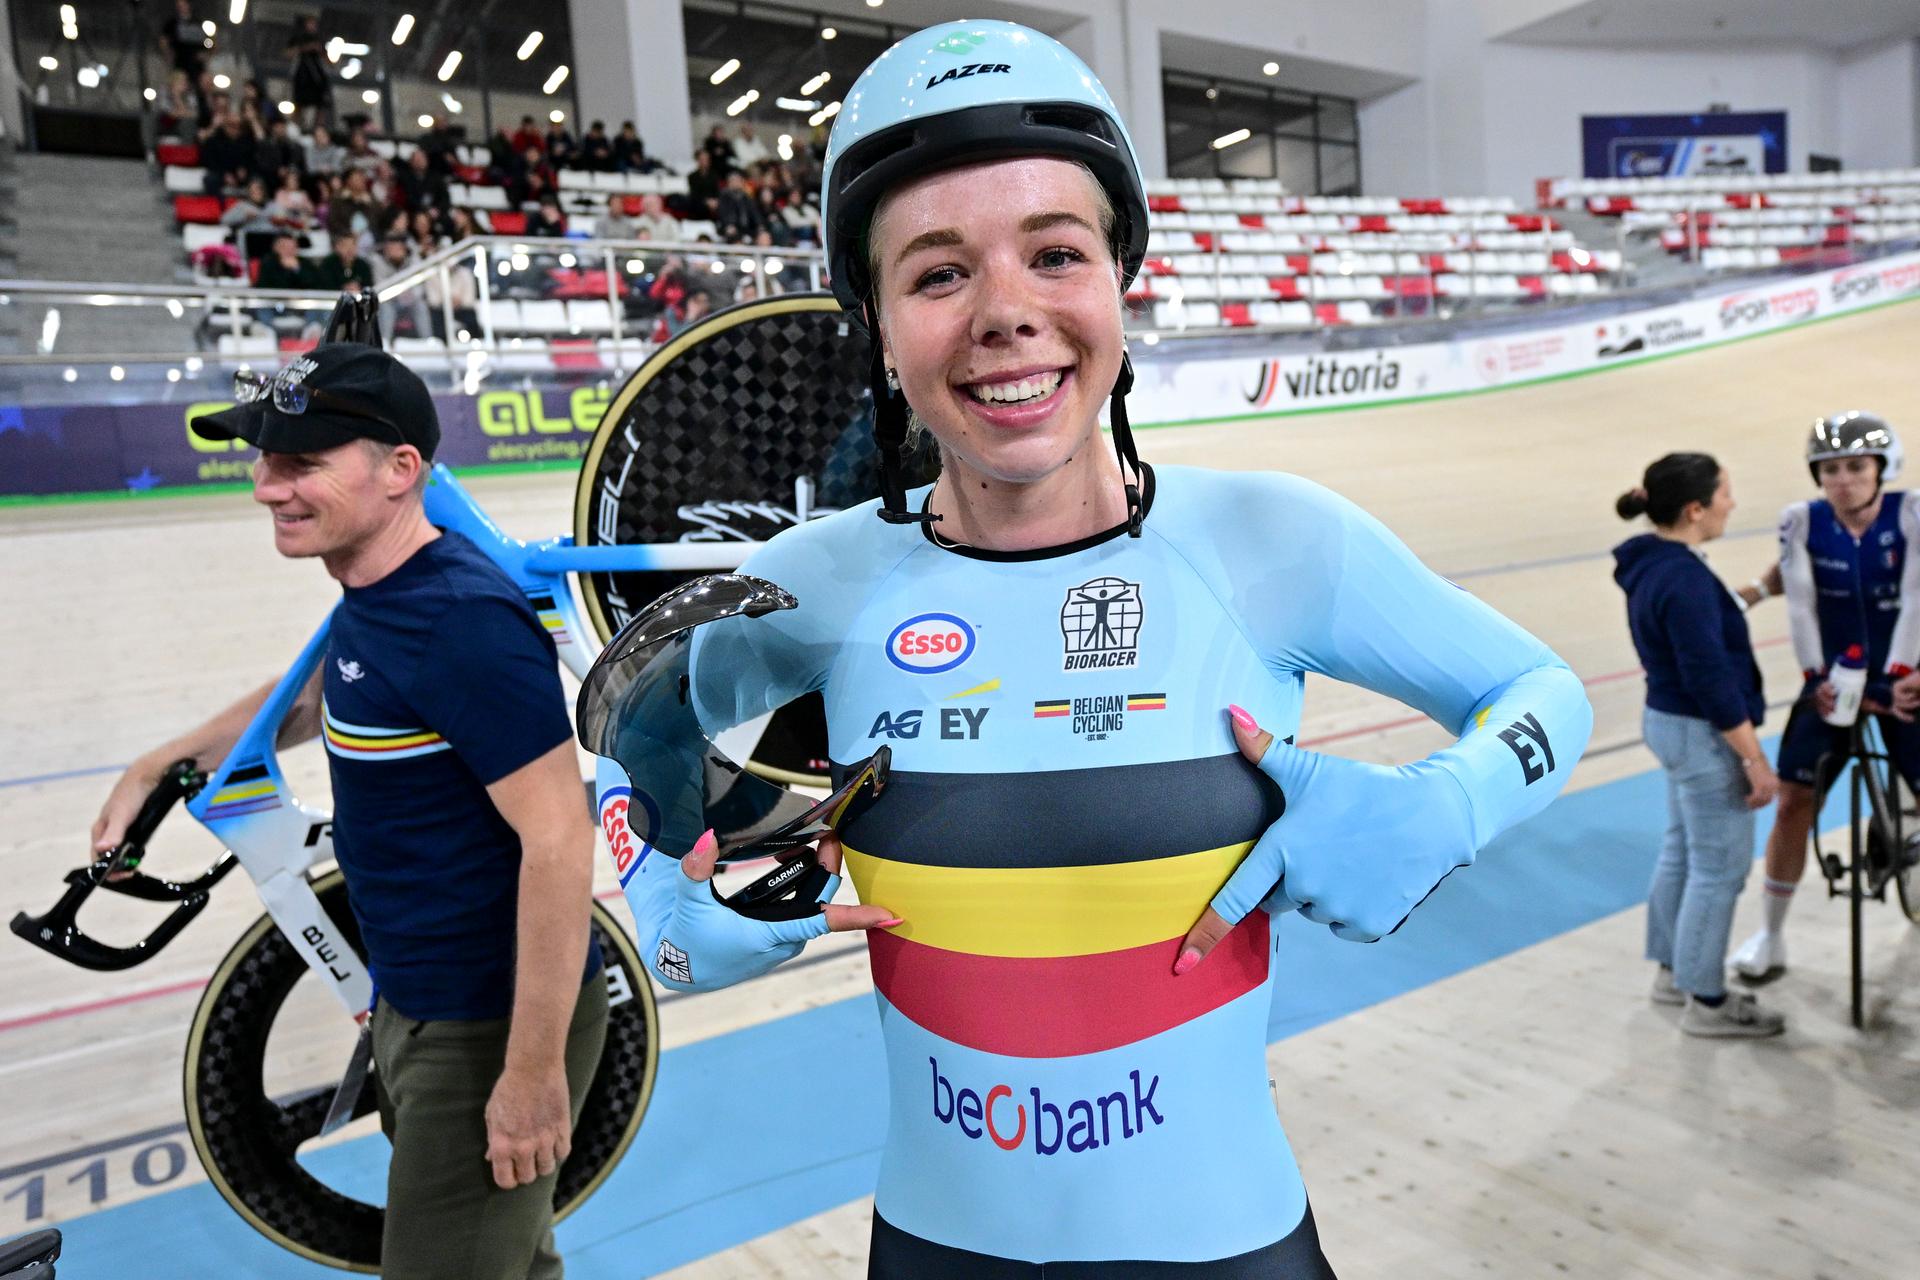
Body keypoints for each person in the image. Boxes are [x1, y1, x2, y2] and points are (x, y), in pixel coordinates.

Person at [592, 20, 1592, 1277]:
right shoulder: (816, 579)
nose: (1007, 313)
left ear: (1121, 279)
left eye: (1056, 253)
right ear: (879, 327)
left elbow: (1543, 692)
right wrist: (660, 899)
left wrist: (1448, 804)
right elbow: (629, 735)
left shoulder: (1271, 542)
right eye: (938, 273)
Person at [90, 344, 606, 1279]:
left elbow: (562, 844)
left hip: (486, 1027)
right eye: (262, 459)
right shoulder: (379, 591)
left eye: (300, 464)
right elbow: (325, 690)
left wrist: (530, 1076)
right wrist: (161, 762)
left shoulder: (461, 623)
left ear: (401, 470)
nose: (265, 487)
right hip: (417, 1004)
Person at [1729, 412, 1920, 982]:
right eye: (1830, 469)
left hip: (1905, 678)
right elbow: (1801, 606)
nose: (1843, 480)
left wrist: (1906, 672)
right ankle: (1771, 935)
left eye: (1856, 467)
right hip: (1833, 682)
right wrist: (1819, 679)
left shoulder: (1910, 512)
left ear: (1882, 468)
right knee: (1793, 804)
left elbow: (1916, 598)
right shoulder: (1801, 522)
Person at [1614, 455, 1784, 1036]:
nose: (1731, 503)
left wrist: (1760, 590)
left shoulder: (1655, 563)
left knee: (1684, 850)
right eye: (1725, 494)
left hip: (1667, 721)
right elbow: (1709, 674)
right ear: (1695, 509)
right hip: (1701, 732)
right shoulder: (1683, 576)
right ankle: (1707, 1003)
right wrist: (1754, 758)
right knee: (1720, 870)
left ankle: (1672, 972)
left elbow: (1702, 619)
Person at [286, 14, 333, 132]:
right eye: (310, 23)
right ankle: (295, 128)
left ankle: (318, 129)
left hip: (317, 76)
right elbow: (288, 54)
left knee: (320, 104)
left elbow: (329, 61)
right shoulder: (298, 38)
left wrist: (320, 50)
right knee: (299, 103)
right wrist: (305, 48)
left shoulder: (320, 39)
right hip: (302, 75)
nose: (312, 26)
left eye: (314, 24)